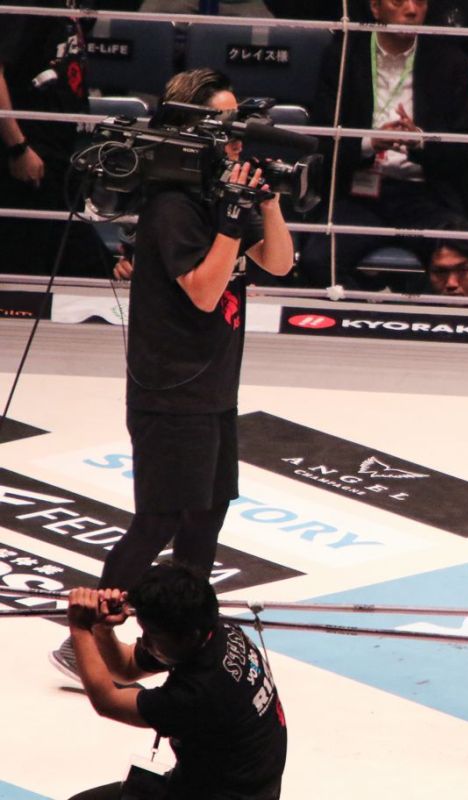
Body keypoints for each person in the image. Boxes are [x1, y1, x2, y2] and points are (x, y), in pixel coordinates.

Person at [51, 68, 295, 679]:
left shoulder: (218, 196)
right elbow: (205, 292)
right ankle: (84, 644)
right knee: (158, 519)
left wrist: (265, 202)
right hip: (170, 386)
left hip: (213, 384)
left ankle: (185, 637)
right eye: (226, 124)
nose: (238, 138)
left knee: (208, 511)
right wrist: (231, 222)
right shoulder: (172, 207)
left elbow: (279, 263)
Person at [296, 0, 468, 290]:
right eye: (398, 1)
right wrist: (369, 142)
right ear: (375, 7)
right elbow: (322, 143)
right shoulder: (344, 56)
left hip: (424, 196)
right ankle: (362, 313)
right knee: (316, 260)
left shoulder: (451, 62)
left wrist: (421, 141)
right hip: (359, 193)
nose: (411, 10)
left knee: (461, 261)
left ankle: (416, 315)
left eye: (419, 1)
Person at [65, 562, 287, 800]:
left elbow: (107, 701)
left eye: (153, 635)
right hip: (238, 782)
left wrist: (80, 628)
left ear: (188, 636)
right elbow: (126, 668)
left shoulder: (198, 692)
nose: (145, 642)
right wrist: (102, 628)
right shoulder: (213, 629)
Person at [0, 0, 109, 279]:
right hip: (30, 157)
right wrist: (18, 147)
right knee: (25, 270)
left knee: (89, 265)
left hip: (63, 157)